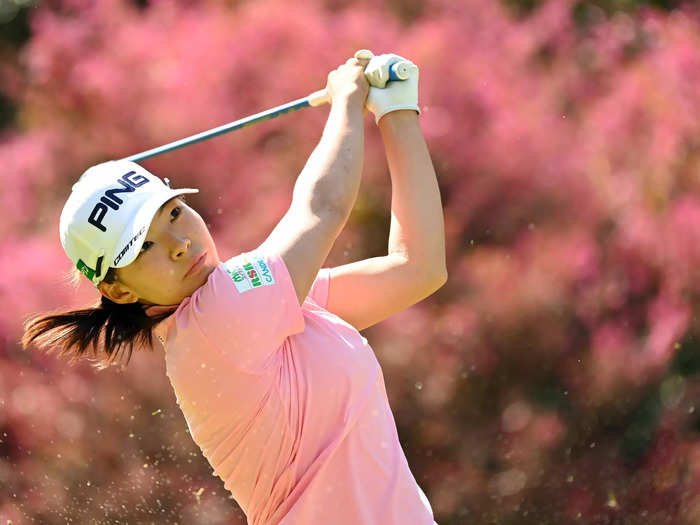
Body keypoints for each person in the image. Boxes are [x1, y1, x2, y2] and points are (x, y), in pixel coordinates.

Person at [22, 50, 447, 524]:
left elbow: (417, 268)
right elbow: (321, 209)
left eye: (174, 213)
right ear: (119, 291)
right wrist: (348, 100)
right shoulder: (218, 319)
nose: (180, 244)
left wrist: (397, 111)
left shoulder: (266, 312)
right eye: (144, 248)